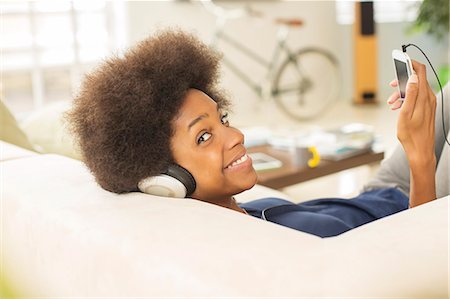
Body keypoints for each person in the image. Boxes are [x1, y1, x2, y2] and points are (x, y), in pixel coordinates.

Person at [68, 30, 447, 238]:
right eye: (203, 136)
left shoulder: (232, 211)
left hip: (379, 193)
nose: (235, 136)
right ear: (164, 181)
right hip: (421, 201)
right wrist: (420, 158)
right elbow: (419, 259)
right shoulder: (270, 251)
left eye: (223, 119)